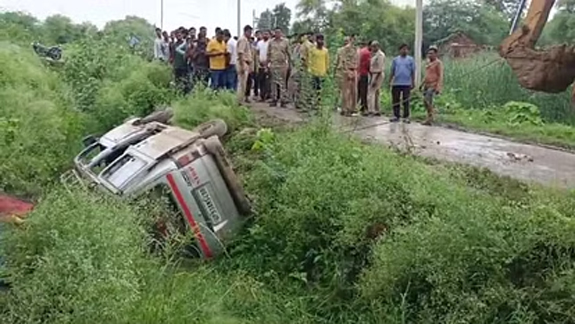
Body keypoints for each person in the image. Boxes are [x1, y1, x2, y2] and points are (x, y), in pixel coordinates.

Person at [389, 43, 415, 123]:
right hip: (396, 83)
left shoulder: (410, 60)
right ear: (399, 50)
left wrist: (413, 82)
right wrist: (390, 81)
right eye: (403, 49)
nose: (405, 51)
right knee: (396, 100)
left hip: (406, 83)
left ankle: (406, 116)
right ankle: (396, 115)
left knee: (406, 100)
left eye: (406, 49)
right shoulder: (395, 60)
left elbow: (413, 72)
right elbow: (392, 71)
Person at [267, 27, 291, 107]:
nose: (277, 34)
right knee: (273, 83)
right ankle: (274, 99)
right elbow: (268, 53)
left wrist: (290, 64)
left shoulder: (286, 42)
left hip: (282, 65)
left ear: (281, 33)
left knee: (282, 83)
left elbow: (289, 53)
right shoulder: (271, 42)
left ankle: (283, 100)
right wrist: (268, 64)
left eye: (279, 32)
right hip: (273, 65)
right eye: (276, 32)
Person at [421, 46, 444, 126]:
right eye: (429, 53)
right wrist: (421, 84)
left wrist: (438, 87)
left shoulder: (438, 63)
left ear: (436, 54)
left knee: (427, 100)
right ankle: (430, 115)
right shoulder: (428, 63)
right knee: (425, 101)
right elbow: (426, 75)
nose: (429, 55)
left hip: (433, 85)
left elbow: (440, 76)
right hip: (426, 85)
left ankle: (430, 117)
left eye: (431, 53)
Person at [337, 37, 359, 116]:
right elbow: (343, 60)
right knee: (346, 91)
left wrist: (355, 70)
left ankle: (353, 108)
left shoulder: (356, 49)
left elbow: (357, 60)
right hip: (347, 70)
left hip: (354, 69)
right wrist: (347, 71)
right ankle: (345, 108)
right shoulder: (344, 49)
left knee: (354, 91)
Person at [308, 34, 329, 107]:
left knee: (320, 90)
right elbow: (310, 60)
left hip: (322, 73)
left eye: (322, 40)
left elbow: (327, 62)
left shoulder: (325, 51)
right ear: (316, 40)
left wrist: (327, 71)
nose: (320, 41)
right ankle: (313, 103)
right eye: (319, 40)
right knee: (314, 89)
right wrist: (309, 70)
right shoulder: (312, 50)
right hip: (314, 73)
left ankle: (319, 103)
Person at [367, 41, 386, 116]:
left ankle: (371, 110)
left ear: (377, 46)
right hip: (374, 73)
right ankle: (376, 109)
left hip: (377, 74)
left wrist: (375, 79)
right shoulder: (374, 55)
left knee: (371, 92)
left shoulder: (380, 55)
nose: (372, 48)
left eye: (373, 46)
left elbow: (380, 68)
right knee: (376, 92)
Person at [236, 25, 254, 103]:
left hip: (246, 63)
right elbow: (240, 53)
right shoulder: (243, 40)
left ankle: (241, 100)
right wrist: (242, 65)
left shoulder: (246, 40)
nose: (250, 34)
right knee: (242, 84)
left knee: (245, 83)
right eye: (250, 32)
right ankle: (239, 101)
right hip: (243, 62)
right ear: (246, 31)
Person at [256, 30, 271, 101]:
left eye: (267, 34)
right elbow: (257, 53)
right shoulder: (259, 43)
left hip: (268, 65)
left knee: (267, 81)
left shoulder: (270, 43)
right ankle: (262, 96)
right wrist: (259, 62)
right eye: (264, 34)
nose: (265, 35)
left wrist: (267, 63)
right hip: (260, 64)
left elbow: (271, 54)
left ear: (269, 35)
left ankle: (267, 95)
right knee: (261, 81)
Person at [357, 41, 371, 113]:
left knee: (358, 91)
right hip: (364, 73)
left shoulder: (360, 51)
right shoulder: (367, 53)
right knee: (364, 91)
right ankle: (364, 108)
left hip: (358, 73)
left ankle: (356, 106)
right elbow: (368, 65)